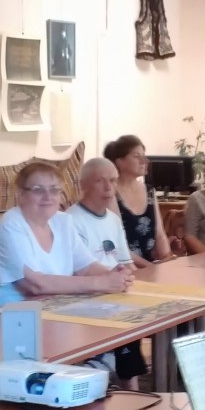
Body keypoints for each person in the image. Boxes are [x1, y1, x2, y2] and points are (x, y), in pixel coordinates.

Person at [0, 161, 134, 309]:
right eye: (38, 190)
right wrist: (101, 283)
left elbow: (86, 267)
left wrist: (115, 275)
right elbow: (34, 285)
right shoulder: (10, 225)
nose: (48, 197)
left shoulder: (63, 221)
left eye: (54, 190)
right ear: (21, 194)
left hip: (49, 309)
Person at [68, 157, 146, 385]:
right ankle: (105, 368)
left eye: (113, 181)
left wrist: (133, 279)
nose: (108, 188)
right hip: (87, 293)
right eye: (100, 181)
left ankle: (129, 383)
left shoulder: (113, 220)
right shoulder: (71, 220)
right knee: (125, 316)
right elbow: (80, 270)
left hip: (116, 288)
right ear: (83, 185)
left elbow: (125, 262)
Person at [104, 135, 172, 267]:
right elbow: (117, 245)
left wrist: (166, 260)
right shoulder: (110, 193)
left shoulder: (149, 190)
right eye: (137, 156)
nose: (145, 160)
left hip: (150, 266)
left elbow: (159, 234)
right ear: (119, 162)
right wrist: (150, 268)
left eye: (144, 155)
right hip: (123, 267)